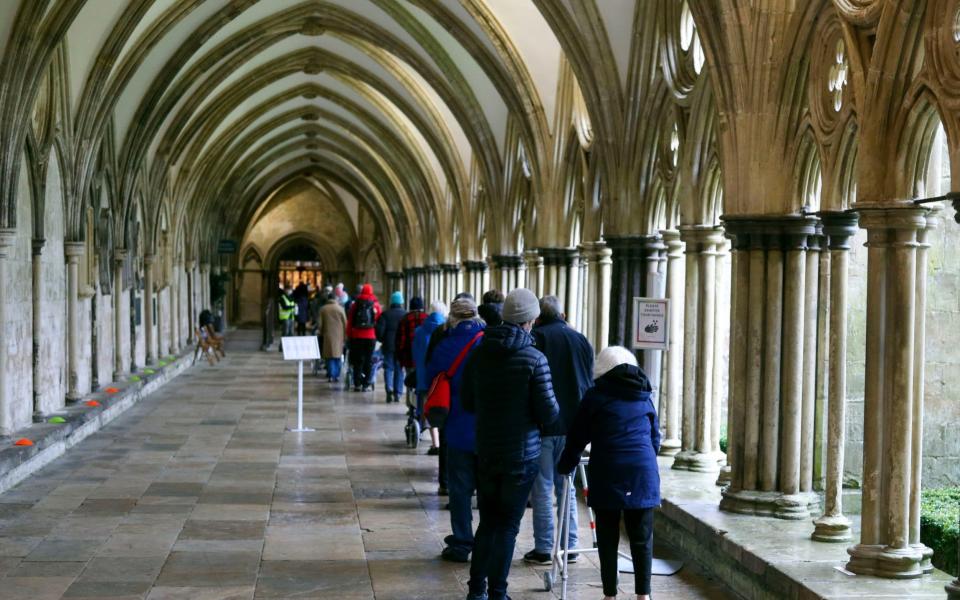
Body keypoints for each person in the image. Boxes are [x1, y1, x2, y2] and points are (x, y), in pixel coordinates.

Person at [461, 288, 560, 600]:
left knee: (487, 523)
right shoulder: (535, 359)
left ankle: (476, 590)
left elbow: (466, 401)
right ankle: (498, 593)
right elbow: (549, 413)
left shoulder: (479, 352)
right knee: (507, 526)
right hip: (522, 455)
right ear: (530, 320)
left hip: (487, 450)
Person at [557, 347, 660, 600]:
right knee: (641, 538)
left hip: (608, 470)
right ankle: (643, 595)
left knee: (607, 536)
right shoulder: (644, 395)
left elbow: (577, 437)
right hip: (642, 471)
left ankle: (610, 595)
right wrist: (642, 460)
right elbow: (655, 437)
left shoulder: (595, 396)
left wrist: (565, 466)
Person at [524, 296, 595, 565]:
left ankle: (544, 548)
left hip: (543, 425)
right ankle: (571, 545)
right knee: (567, 487)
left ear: (537, 317)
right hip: (574, 426)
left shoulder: (535, 338)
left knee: (541, 488)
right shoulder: (580, 339)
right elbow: (588, 381)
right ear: (562, 313)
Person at [425, 297, 485, 563]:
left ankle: (462, 542)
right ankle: (487, 541)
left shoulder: (445, 345)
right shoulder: (489, 342)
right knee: (488, 490)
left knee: (460, 490)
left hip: (458, 428)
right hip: (488, 429)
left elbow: (430, 379)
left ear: (453, 317)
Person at [413, 301, 447, 474]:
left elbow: (415, 354)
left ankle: (435, 443)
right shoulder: (447, 331)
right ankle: (443, 439)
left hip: (423, 376)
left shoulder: (419, 331)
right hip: (441, 377)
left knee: (429, 408)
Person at [345, 283, 382, 391]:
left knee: (358, 360)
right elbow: (378, 320)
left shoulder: (355, 304)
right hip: (371, 336)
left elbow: (350, 321)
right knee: (368, 359)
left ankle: (357, 384)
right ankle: (366, 383)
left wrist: (349, 334)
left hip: (357, 335)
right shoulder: (376, 305)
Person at [376, 291, 407, 403]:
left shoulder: (385, 314)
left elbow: (379, 331)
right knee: (399, 369)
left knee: (388, 367)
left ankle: (389, 389)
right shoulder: (405, 315)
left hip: (388, 345)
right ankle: (398, 393)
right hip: (401, 346)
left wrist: (382, 340)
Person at [317, 293, 347, 382]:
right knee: (338, 355)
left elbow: (320, 324)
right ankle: (337, 375)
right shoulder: (341, 309)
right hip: (339, 336)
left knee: (329, 356)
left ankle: (330, 374)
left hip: (328, 335)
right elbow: (345, 323)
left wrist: (321, 332)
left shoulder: (323, 309)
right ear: (336, 299)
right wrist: (345, 335)